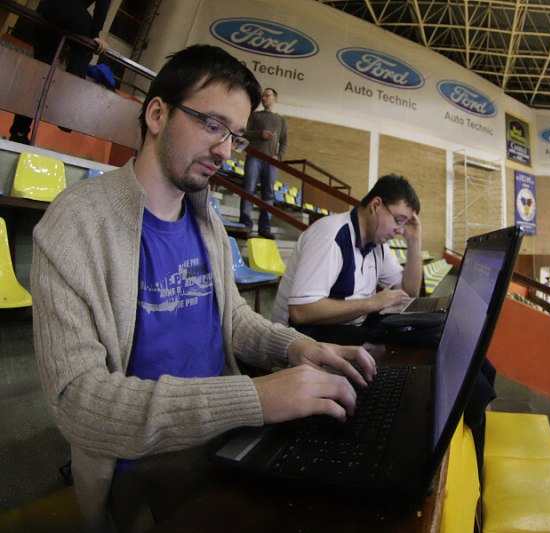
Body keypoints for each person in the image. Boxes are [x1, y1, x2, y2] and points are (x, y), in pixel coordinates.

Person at [31, 44, 376, 530]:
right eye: (213, 125)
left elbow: (230, 316)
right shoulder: (75, 225)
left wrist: (296, 346)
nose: (225, 151)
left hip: (230, 436)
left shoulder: (204, 216)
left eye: (234, 136)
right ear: (157, 114)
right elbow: (79, 405)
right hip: (143, 469)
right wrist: (255, 398)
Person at [271, 174, 423, 344]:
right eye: (398, 221)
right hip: (299, 338)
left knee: (410, 331)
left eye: (404, 224)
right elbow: (300, 312)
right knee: (390, 344)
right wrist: (371, 303)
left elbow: (410, 295)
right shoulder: (330, 235)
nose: (400, 231)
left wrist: (414, 240)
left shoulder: (378, 244)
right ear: (375, 205)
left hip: (347, 324)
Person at [8, 0, 111, 145]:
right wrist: (95, 35)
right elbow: (102, 5)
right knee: (85, 47)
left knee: (41, 70)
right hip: (75, 13)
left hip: (47, 8)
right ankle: (65, 111)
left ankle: (19, 132)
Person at [238, 87, 287, 239]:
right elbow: (244, 132)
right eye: (263, 96)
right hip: (254, 157)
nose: (264, 98)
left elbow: (284, 142)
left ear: (275, 98)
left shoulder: (281, 120)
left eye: (267, 95)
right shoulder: (255, 115)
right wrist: (260, 134)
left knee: (268, 194)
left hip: (271, 161)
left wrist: (279, 156)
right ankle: (245, 225)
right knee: (248, 189)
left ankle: (264, 228)